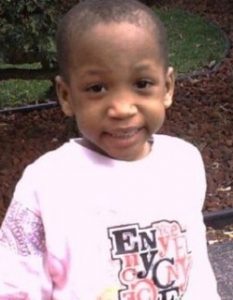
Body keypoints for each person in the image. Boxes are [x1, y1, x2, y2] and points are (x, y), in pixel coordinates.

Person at [0, 0, 220, 299]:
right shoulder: (47, 184)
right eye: (97, 88)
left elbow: (195, 267)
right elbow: (15, 284)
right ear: (66, 96)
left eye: (142, 83)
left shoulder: (184, 162)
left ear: (167, 87)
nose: (122, 108)